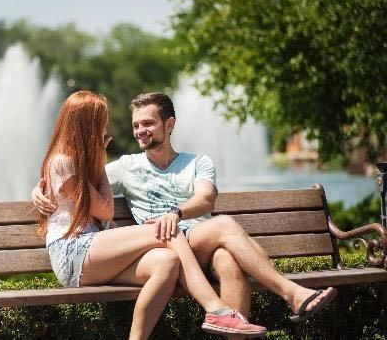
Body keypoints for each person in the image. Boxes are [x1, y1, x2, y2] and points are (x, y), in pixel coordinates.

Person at [34, 92, 338, 338]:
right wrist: (39, 190)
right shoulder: (125, 166)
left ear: (170, 125)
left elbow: (206, 198)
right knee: (205, 227)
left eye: (148, 123)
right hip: (159, 240)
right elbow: (71, 184)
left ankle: (233, 321)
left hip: (180, 247)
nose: (139, 130)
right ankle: (277, 296)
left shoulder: (198, 162)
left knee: (223, 259)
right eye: (136, 124)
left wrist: (176, 212)